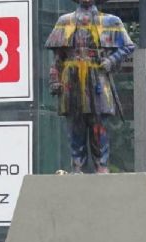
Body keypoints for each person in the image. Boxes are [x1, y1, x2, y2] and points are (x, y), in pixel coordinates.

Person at [45, 0, 135, 173]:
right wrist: (54, 80)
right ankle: (77, 167)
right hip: (71, 80)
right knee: (75, 126)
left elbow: (128, 46)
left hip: (97, 77)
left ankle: (101, 166)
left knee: (98, 124)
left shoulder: (111, 21)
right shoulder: (65, 21)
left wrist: (111, 60)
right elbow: (58, 58)